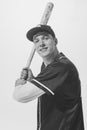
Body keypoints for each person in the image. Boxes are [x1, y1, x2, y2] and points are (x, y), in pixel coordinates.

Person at [13, 24, 84, 130]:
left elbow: (19, 96)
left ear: (55, 41)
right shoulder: (49, 66)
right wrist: (32, 80)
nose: (41, 44)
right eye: (36, 41)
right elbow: (52, 90)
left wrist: (19, 84)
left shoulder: (60, 67)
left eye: (45, 38)